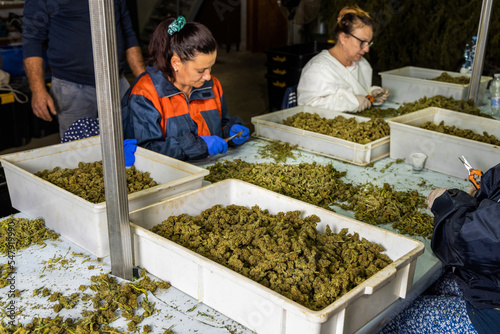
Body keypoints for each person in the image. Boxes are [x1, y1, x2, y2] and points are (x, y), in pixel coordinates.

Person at [378, 162, 500, 334]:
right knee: (421, 287)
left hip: (492, 316)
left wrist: (448, 205)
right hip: (489, 282)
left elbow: (473, 243)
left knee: (389, 318)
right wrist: (474, 198)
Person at [121, 16, 250, 161]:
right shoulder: (145, 94)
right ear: (176, 62)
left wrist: (230, 132)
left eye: (210, 67)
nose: (208, 76)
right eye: (201, 70)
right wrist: (199, 146)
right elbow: (147, 151)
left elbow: (222, 124)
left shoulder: (212, 85)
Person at [22, 0, 145, 139]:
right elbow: (32, 41)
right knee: (81, 151)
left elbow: (128, 34)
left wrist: (144, 79)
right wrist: (38, 89)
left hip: (116, 84)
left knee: (126, 144)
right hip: (73, 88)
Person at [297, 6, 389, 113]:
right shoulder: (318, 69)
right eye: (362, 42)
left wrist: (371, 95)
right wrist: (352, 102)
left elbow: (358, 89)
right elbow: (307, 106)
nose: (367, 49)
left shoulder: (362, 64)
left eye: (369, 43)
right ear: (343, 38)